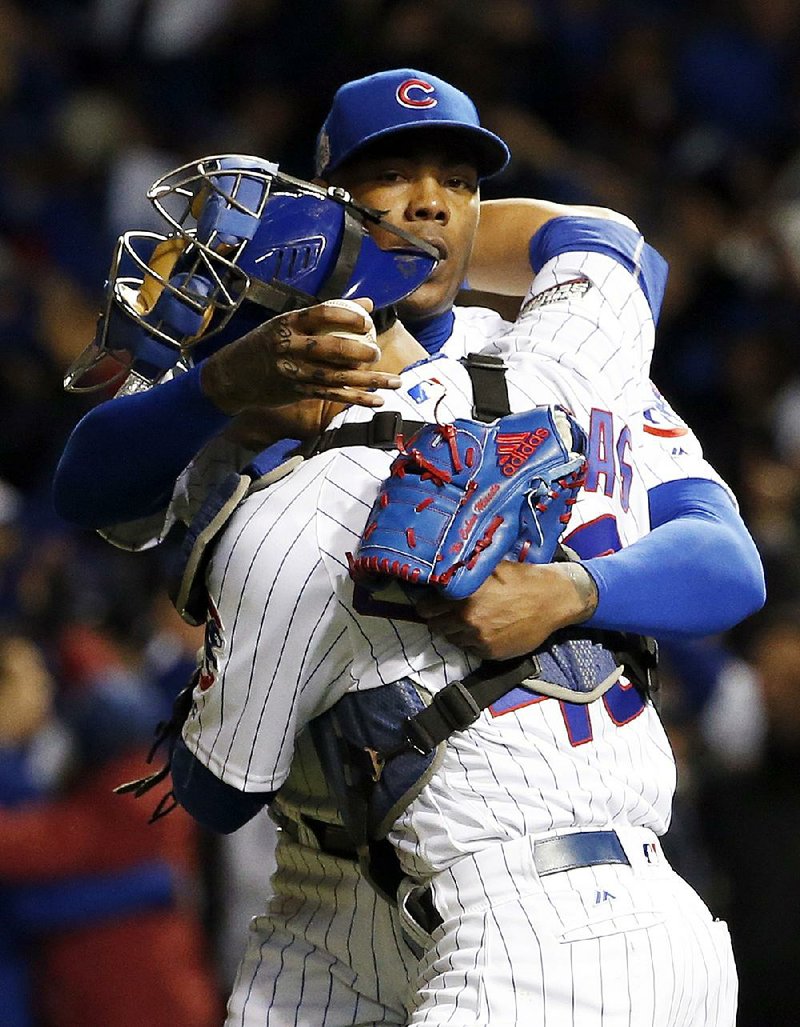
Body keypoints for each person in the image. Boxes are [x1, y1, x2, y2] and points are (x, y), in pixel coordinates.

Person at [51, 70, 764, 1024]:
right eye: (392, 172)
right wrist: (220, 388)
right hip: (331, 895)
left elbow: (728, 560)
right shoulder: (270, 373)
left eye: (459, 180)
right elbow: (87, 485)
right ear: (330, 199)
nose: (430, 197)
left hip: (521, 863)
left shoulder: (556, 354)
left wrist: (571, 588)